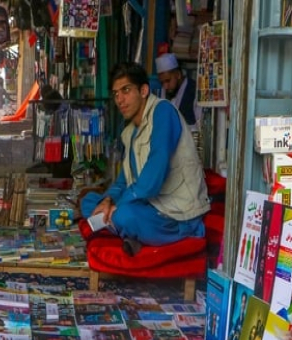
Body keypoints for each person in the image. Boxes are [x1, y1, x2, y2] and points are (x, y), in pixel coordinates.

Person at [81, 62, 209, 256]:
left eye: (126, 90)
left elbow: (154, 176)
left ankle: (127, 229)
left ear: (143, 90)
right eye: (116, 94)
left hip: (175, 215)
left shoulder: (163, 112)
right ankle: (126, 230)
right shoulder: (131, 131)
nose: (120, 100)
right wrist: (107, 201)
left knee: (124, 215)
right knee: (89, 201)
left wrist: (118, 206)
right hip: (150, 206)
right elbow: (123, 181)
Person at [156, 53, 200, 129]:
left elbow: (199, 127)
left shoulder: (195, 91)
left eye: (168, 81)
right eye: (162, 82)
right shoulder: (162, 91)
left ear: (178, 75)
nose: (165, 87)